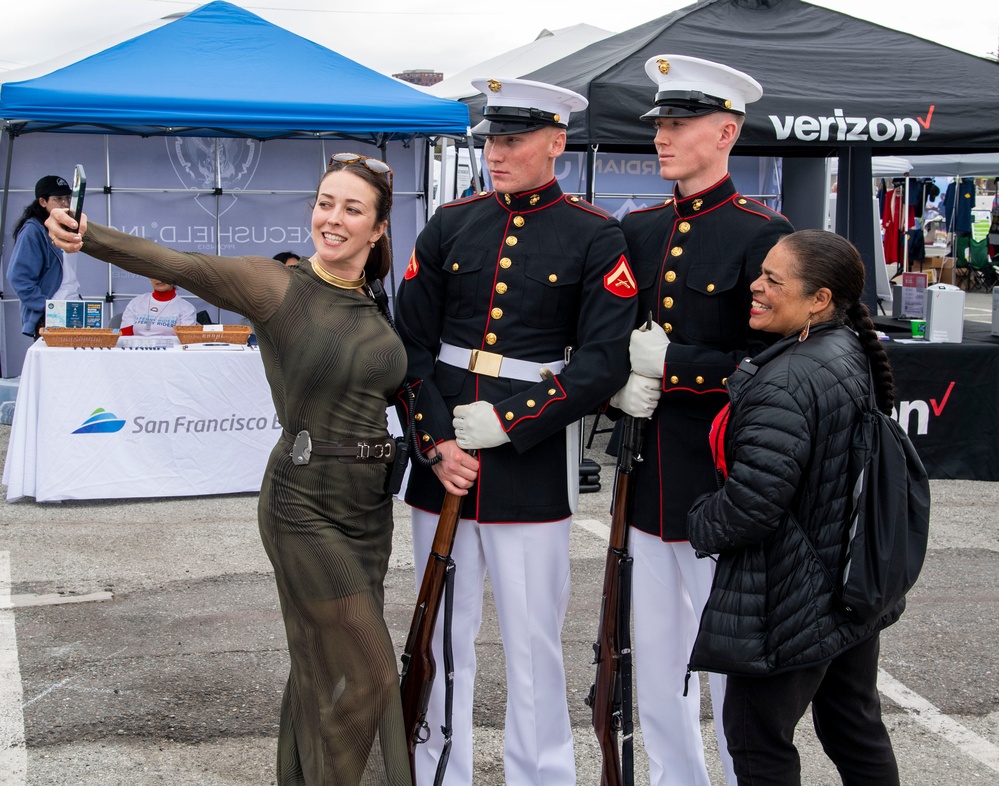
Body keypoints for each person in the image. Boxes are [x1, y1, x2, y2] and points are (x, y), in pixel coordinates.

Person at [47, 153, 411, 786]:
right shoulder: (277, 286)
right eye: (325, 202)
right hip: (304, 506)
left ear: (378, 228)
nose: (333, 218)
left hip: (369, 510)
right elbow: (176, 264)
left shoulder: (377, 300)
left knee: (321, 664)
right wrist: (90, 234)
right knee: (371, 672)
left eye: (353, 209)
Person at [394, 77, 638, 785]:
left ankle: (542, 775)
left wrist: (507, 422)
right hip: (441, 450)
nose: (495, 153)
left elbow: (599, 363)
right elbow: (407, 343)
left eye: (512, 139)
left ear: (555, 142)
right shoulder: (450, 223)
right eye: (491, 140)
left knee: (533, 638)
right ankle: (438, 769)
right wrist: (434, 441)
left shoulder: (595, 234)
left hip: (529, 457)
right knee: (441, 632)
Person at [610, 55, 793, 786]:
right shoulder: (641, 228)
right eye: (659, 124)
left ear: (725, 132)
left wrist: (672, 364)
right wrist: (622, 375)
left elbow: (774, 364)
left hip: (723, 482)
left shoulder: (762, 233)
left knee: (729, 661)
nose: (661, 137)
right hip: (647, 474)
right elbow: (613, 337)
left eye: (678, 124)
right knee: (653, 657)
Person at [686, 229, 901, 785]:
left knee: (757, 744)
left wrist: (698, 522)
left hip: (790, 596)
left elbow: (754, 504)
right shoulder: (845, 350)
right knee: (854, 728)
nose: (754, 288)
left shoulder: (786, 378)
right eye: (761, 274)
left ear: (820, 300)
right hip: (847, 586)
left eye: (772, 282)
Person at [8, 175, 83, 337]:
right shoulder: (33, 230)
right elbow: (18, 277)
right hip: (52, 315)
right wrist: (46, 307)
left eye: (67, 198)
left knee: (79, 361)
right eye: (58, 198)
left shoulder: (69, 226)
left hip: (74, 308)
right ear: (43, 202)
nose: (65, 203)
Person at [119, 278, 197, 336]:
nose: (159, 280)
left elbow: (185, 340)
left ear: (174, 278)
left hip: (170, 355)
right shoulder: (136, 302)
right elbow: (125, 336)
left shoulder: (187, 308)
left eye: (164, 276)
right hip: (138, 353)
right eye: (154, 275)